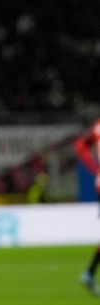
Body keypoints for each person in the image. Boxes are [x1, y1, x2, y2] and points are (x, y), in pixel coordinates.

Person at [75, 118, 100, 296]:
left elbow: (80, 145)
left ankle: (89, 273)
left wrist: (96, 170)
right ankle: (89, 273)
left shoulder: (97, 127)